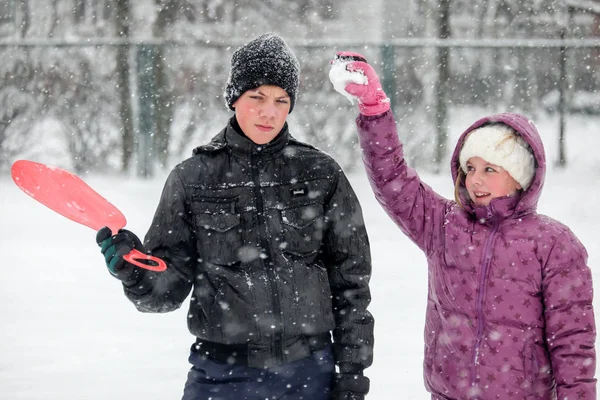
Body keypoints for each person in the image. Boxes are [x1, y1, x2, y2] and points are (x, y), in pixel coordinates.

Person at [96, 34, 374, 400]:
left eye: (281, 100)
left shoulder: (320, 174)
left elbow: (351, 283)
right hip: (220, 375)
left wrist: (352, 374)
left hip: (308, 373)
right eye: (256, 97)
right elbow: (167, 291)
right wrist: (136, 273)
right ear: (234, 99)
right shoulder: (192, 178)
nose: (268, 111)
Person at [329, 52, 596, 399]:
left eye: (490, 169)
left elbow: (573, 344)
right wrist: (374, 111)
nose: (476, 180)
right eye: (470, 168)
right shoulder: (444, 225)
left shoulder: (554, 245)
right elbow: (392, 180)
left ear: (519, 178)